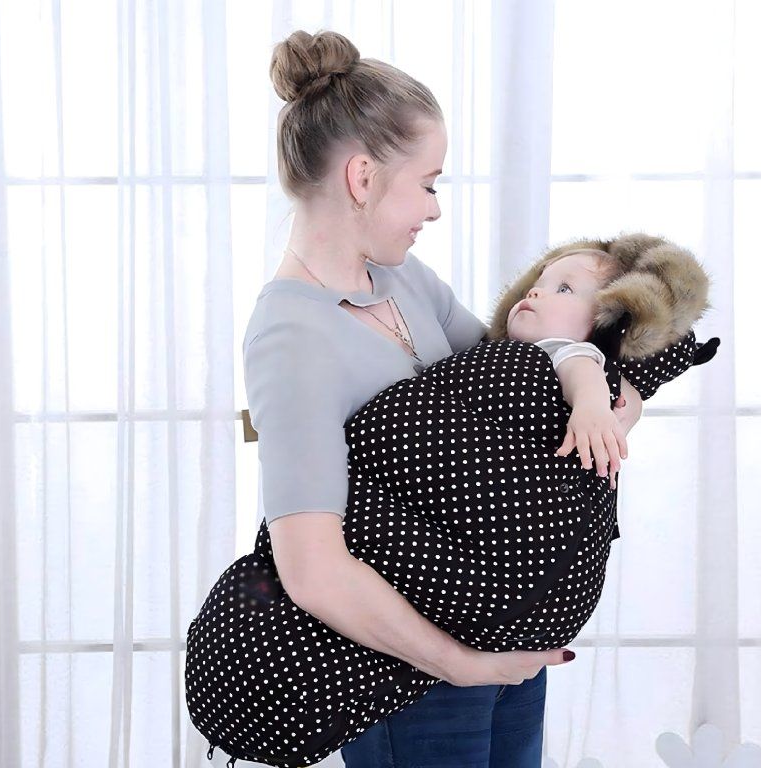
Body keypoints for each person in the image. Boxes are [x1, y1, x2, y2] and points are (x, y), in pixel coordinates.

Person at [187, 28, 657, 768]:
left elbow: (523, 374)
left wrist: (608, 391)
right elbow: (312, 570)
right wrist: (459, 665)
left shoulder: (405, 279)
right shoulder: (290, 339)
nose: (434, 210)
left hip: (506, 646)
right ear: (363, 178)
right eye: (429, 183)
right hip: (408, 679)